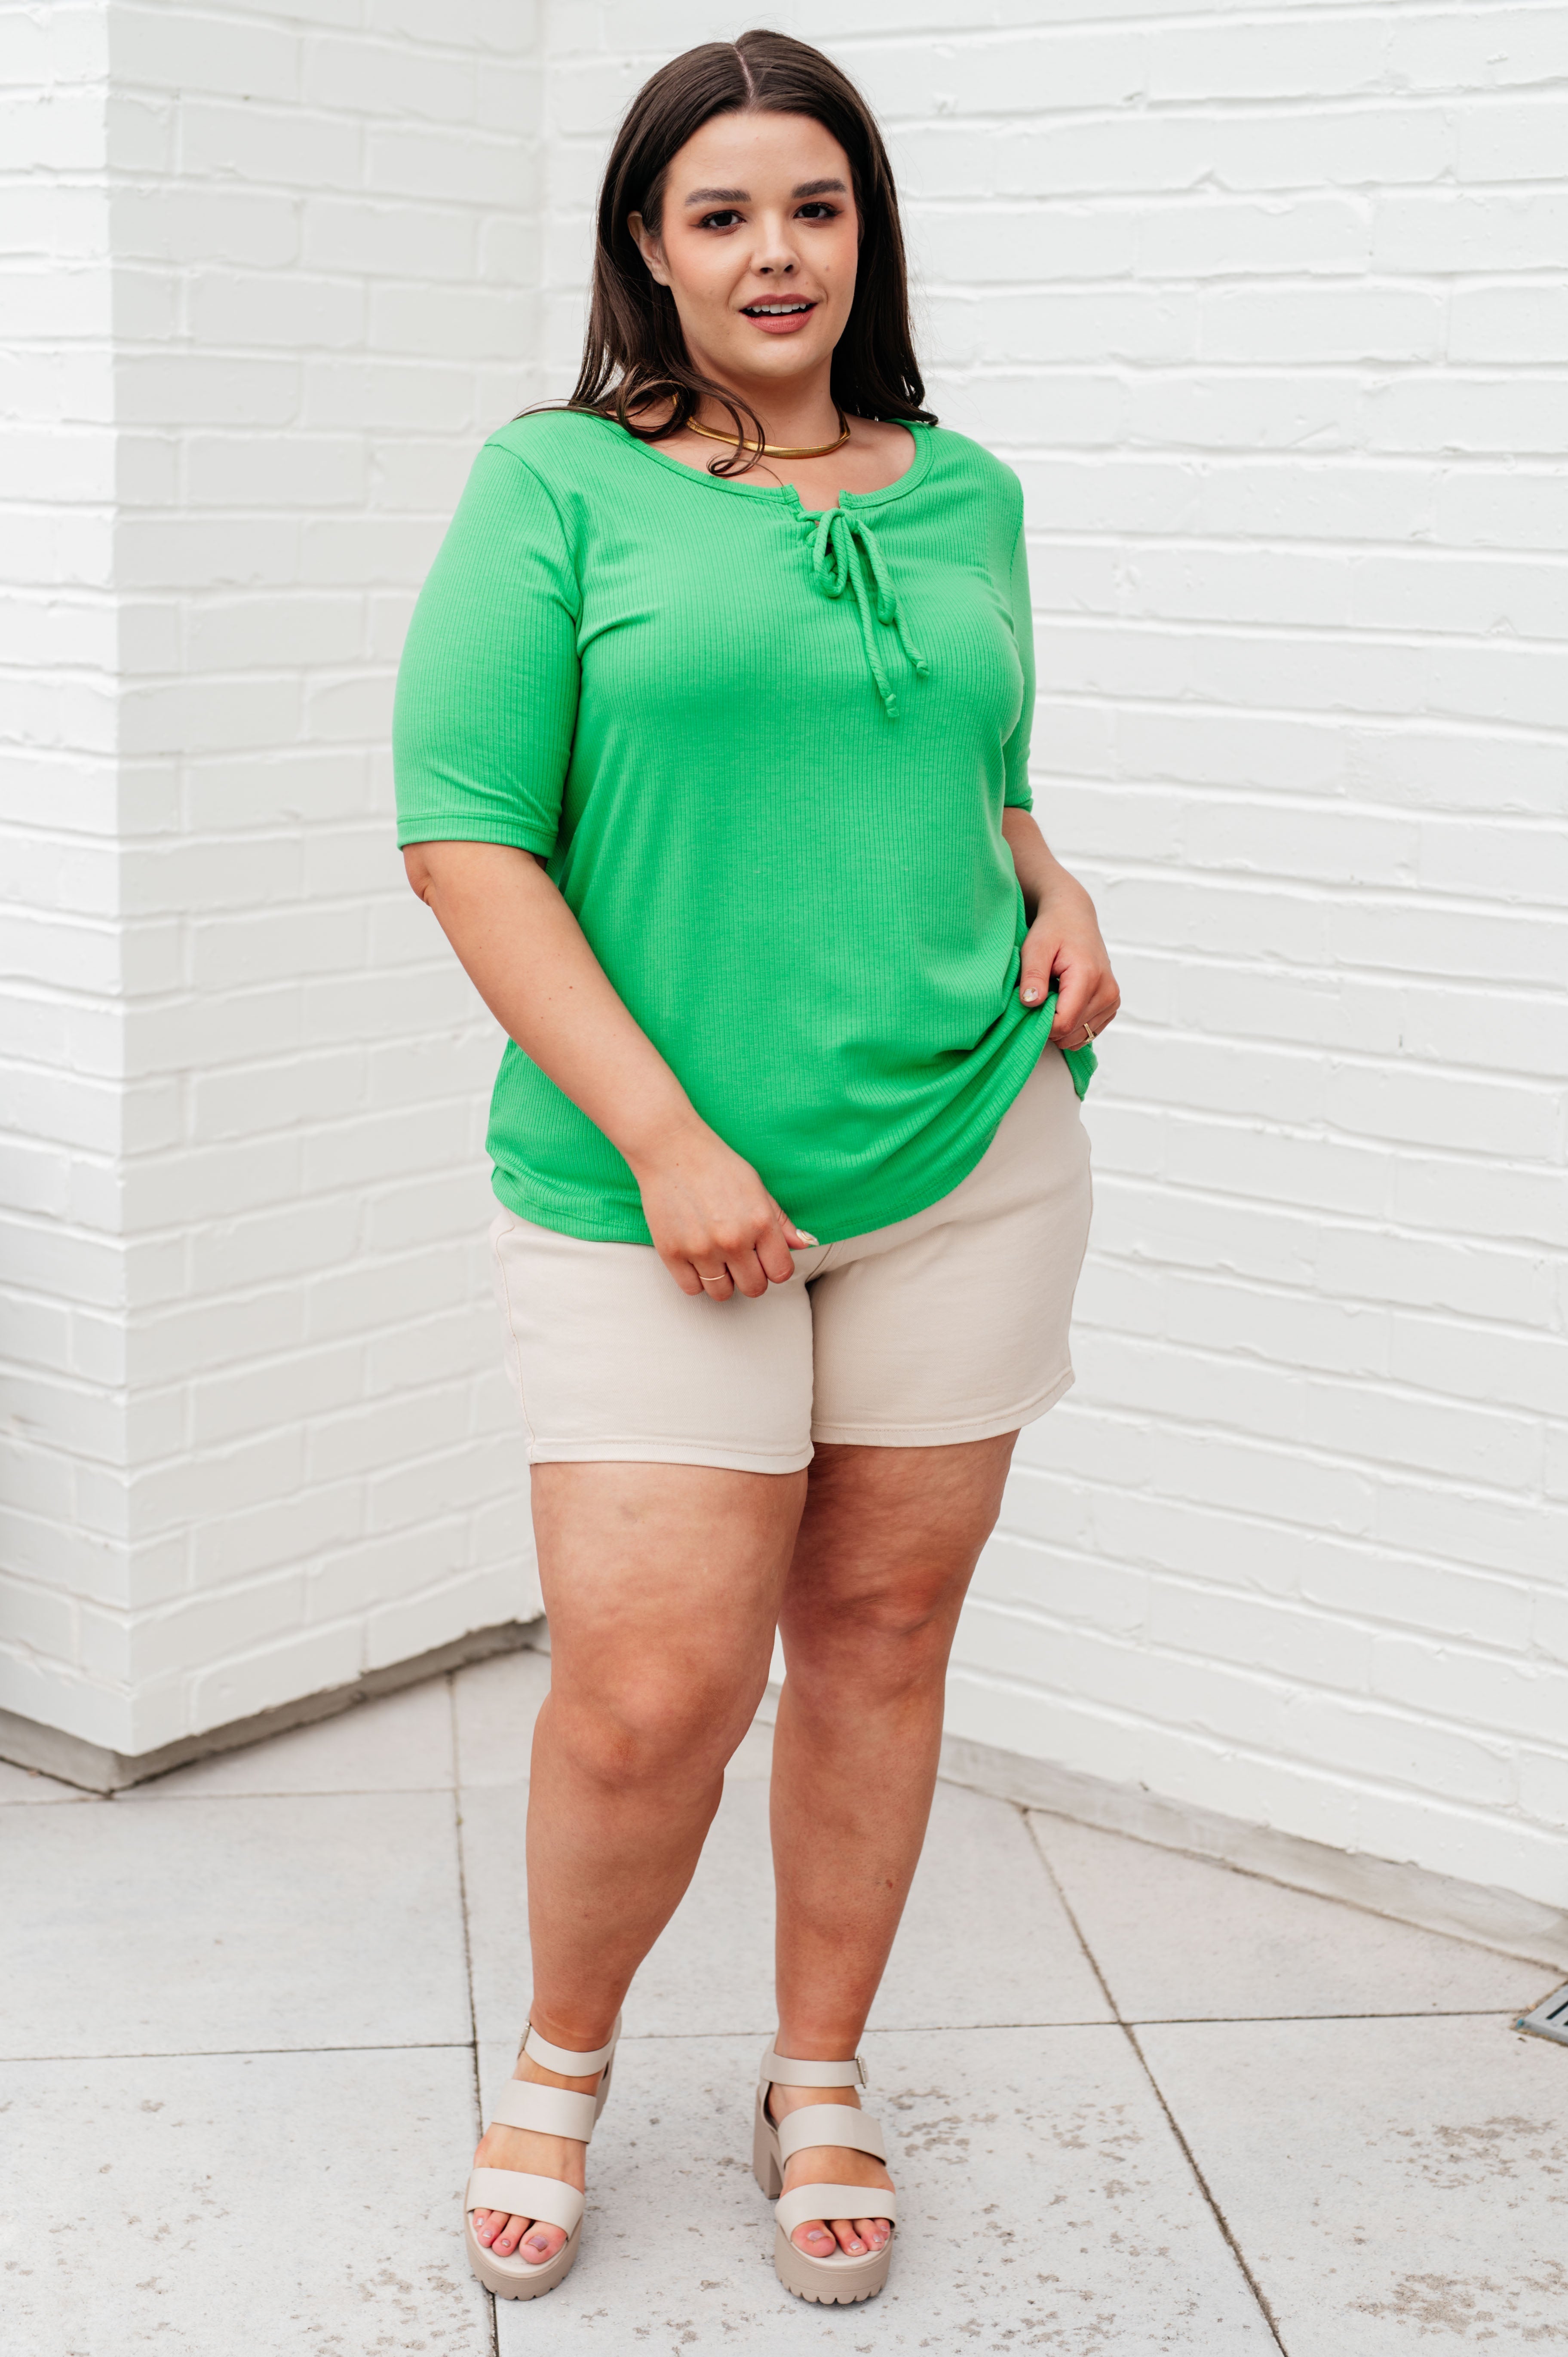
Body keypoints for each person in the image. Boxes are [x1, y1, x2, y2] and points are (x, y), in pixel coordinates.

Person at [393, 26, 1119, 2310]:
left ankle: (818, 2071)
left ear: (865, 230)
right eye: (720, 213)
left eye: (815, 205)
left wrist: (1055, 882)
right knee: (650, 1694)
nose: (775, 251)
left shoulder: (965, 490)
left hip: (969, 1148)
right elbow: (466, 838)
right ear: (648, 245)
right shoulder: (553, 486)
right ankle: (563, 2058)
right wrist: (673, 1140)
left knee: (882, 1637)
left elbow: (975, 770)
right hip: (658, 1198)